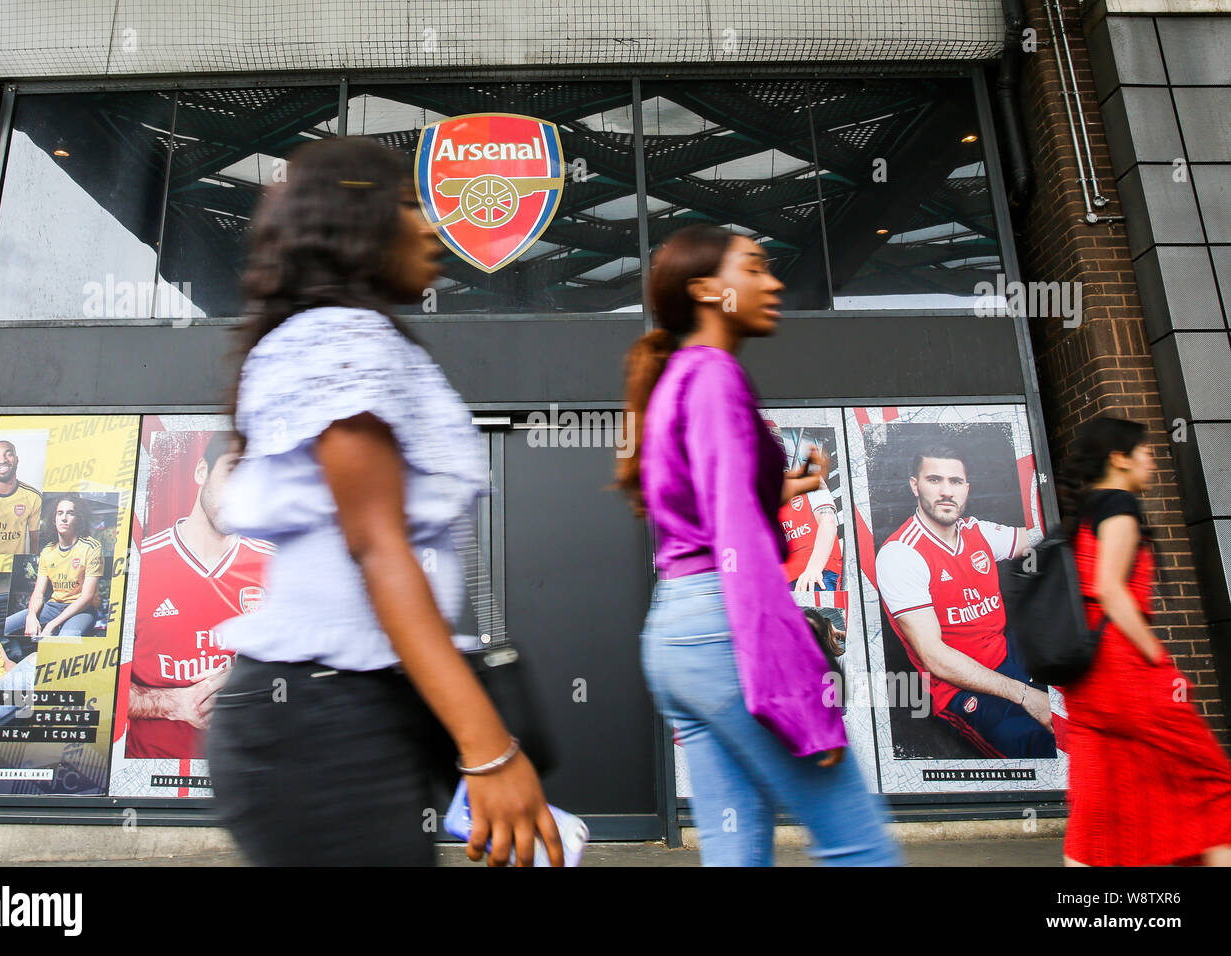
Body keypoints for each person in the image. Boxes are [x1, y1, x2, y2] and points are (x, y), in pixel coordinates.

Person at [205, 136, 562, 867]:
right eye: (407, 204)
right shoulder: (345, 340)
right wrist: (488, 751)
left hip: (334, 712)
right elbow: (378, 545)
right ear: (351, 224)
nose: (433, 226)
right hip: (320, 720)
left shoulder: (348, 341)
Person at [618, 222, 899, 866]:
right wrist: (800, 697)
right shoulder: (715, 377)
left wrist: (787, 485)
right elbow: (738, 539)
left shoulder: (675, 381)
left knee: (736, 852)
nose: (773, 282)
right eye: (754, 268)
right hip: (723, 627)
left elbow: (708, 507)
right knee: (859, 848)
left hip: (677, 633)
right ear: (707, 290)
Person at [1062, 416, 1231, 866]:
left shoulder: (1086, 512)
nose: (1151, 461)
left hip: (1086, 682)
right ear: (1119, 459)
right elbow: (1110, 589)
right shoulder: (1119, 505)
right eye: (1144, 451)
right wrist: (1158, 659)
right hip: (1125, 672)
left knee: (1097, 805)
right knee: (1212, 782)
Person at [874, 446, 1054, 759]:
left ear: (966, 488)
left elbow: (1042, 539)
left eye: (955, 482)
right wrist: (1026, 695)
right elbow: (936, 658)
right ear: (915, 485)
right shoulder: (900, 554)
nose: (946, 491)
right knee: (1037, 745)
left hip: (1007, 655)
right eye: (934, 480)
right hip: (960, 687)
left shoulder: (978, 531)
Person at [126, 431, 274, 759]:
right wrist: (171, 704)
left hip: (248, 780)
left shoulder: (279, 567)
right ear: (200, 471)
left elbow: (312, 680)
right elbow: (98, 685)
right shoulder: (138, 564)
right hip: (150, 782)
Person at [5, 496, 103, 637]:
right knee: (7, 625)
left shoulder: (91, 547)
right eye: (60, 513)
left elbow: (87, 597)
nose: (64, 518)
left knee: (66, 638)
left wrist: (52, 624)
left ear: (78, 519)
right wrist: (31, 616)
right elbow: (38, 592)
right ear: (54, 519)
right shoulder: (47, 551)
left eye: (70, 513)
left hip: (83, 609)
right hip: (54, 606)